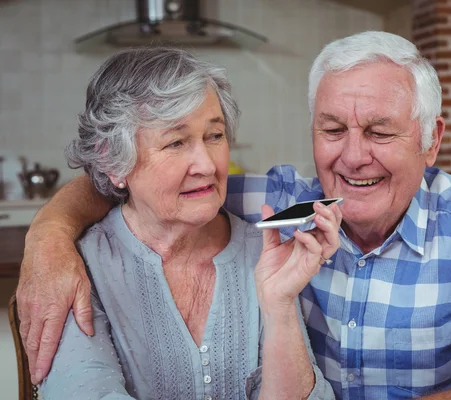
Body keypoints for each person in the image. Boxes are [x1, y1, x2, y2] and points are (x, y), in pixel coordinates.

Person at [18, 32, 451, 399]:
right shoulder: (275, 205)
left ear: (431, 140)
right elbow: (147, 188)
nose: (354, 155)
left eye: (381, 132)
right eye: (333, 129)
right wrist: (50, 232)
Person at [36, 47, 339, 399]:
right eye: (176, 142)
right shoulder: (80, 268)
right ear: (112, 159)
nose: (207, 166)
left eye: (214, 136)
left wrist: (280, 305)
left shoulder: (263, 252)